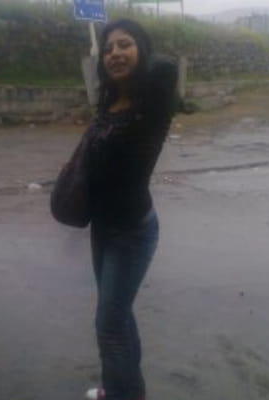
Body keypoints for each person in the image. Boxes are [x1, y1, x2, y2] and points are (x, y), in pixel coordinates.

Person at [83, 19, 179, 400]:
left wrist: (139, 59)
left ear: (141, 48)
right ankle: (127, 390)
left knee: (108, 324)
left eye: (125, 45)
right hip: (102, 227)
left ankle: (121, 393)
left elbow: (166, 67)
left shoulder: (151, 104)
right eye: (108, 49)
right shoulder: (110, 101)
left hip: (132, 231)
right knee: (118, 316)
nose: (115, 54)